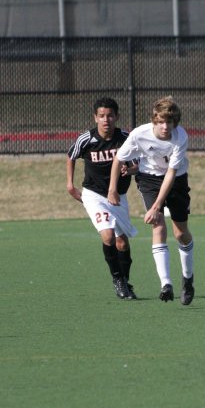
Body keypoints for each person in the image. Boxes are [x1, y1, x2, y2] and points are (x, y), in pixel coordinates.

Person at [108, 96, 194, 305]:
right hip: (148, 179)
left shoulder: (180, 137)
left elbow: (171, 173)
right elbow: (120, 158)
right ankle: (166, 284)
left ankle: (188, 279)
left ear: (175, 123)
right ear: (154, 121)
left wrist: (156, 206)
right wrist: (112, 189)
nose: (165, 127)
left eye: (169, 122)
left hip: (176, 180)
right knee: (157, 226)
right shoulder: (139, 134)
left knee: (181, 233)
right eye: (161, 122)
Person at [66, 97, 138, 300]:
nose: (106, 120)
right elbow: (71, 156)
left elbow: (138, 164)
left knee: (122, 242)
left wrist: (130, 169)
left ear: (116, 117)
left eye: (110, 116)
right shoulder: (86, 139)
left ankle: (125, 281)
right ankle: (117, 279)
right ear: (95, 118)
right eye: (101, 116)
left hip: (118, 196)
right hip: (94, 195)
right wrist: (70, 185)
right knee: (108, 236)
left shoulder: (125, 137)